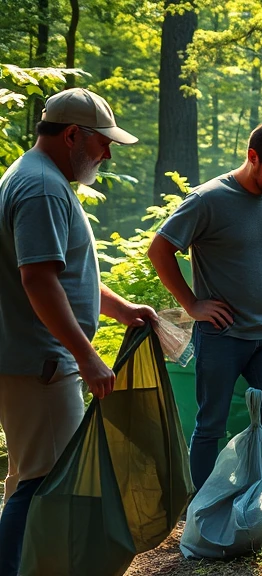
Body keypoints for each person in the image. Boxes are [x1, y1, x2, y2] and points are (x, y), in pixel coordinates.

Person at [0, 88, 157, 574]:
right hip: (42, 364)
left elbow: (64, 275)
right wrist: (86, 354)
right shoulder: (42, 188)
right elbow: (38, 279)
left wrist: (121, 308)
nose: (107, 154)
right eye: (102, 142)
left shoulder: (32, 177)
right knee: (45, 483)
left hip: (34, 360)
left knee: (30, 476)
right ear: (72, 135)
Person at [149, 120, 262, 490]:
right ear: (253, 157)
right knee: (211, 422)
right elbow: (160, 249)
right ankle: (200, 505)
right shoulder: (208, 199)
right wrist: (191, 304)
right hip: (221, 336)